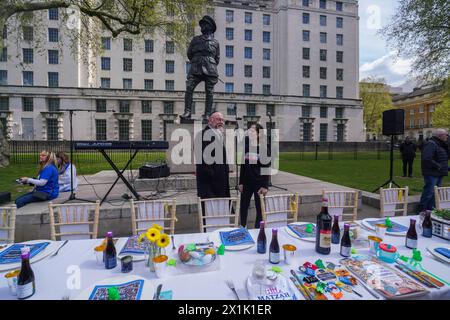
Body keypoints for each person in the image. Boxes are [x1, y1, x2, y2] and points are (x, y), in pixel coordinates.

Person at [180, 15, 220, 120]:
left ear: (210, 27)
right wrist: (197, 60)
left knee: (209, 92)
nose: (202, 26)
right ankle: (187, 112)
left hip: (210, 68)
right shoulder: (195, 39)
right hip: (196, 67)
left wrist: (209, 62)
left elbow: (217, 58)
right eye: (201, 24)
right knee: (189, 87)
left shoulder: (215, 42)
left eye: (204, 24)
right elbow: (189, 54)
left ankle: (207, 114)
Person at [239, 123, 269, 228]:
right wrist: (241, 183)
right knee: (243, 206)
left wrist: (265, 186)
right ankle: (243, 226)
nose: (249, 132)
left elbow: (266, 168)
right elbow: (242, 166)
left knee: (259, 207)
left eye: (252, 131)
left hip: (259, 183)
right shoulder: (246, 146)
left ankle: (257, 229)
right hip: (246, 183)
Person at [195, 112, 230, 199]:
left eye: (222, 120)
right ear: (211, 120)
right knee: (210, 209)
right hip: (210, 183)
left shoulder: (219, 134)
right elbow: (201, 158)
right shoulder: (202, 135)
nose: (221, 122)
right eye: (219, 119)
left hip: (221, 180)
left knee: (221, 209)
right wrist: (212, 174)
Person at [418, 128, 449, 212]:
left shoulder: (440, 144)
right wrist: (438, 166)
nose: (447, 136)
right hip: (431, 173)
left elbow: (441, 159)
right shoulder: (431, 144)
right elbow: (426, 158)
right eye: (446, 134)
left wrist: (446, 167)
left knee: (435, 193)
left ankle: (430, 211)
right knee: (429, 192)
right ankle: (422, 210)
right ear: (440, 136)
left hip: (438, 173)